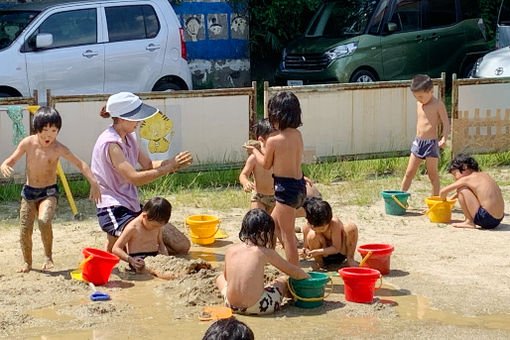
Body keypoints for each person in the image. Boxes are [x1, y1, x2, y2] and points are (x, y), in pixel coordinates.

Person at [0, 107, 101, 273]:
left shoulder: (58, 148)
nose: (49, 135)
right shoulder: (27, 143)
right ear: (37, 129)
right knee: (25, 230)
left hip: (49, 192)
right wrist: (4, 165)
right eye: (45, 130)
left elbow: (81, 164)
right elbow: (9, 160)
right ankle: (27, 262)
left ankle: (48, 256)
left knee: (44, 221)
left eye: (54, 130)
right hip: (29, 192)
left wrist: (94, 183)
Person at [91, 92, 192, 253]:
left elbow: (149, 164)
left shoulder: (129, 136)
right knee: (141, 244)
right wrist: (169, 167)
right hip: (113, 205)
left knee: (182, 245)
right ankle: (115, 242)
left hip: (130, 203)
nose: (139, 121)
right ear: (123, 117)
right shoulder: (112, 144)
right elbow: (134, 178)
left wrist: (174, 162)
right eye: (136, 117)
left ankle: (123, 241)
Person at [244, 91, 305, 265]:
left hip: (285, 190)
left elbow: (266, 164)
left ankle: (295, 274)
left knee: (288, 236)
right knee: (273, 225)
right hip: (299, 187)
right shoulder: (297, 135)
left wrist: (253, 150)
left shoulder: (273, 140)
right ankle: (273, 260)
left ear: (276, 115)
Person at [216, 209, 310, 315]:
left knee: (220, 278)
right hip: (259, 306)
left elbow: (226, 277)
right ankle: (292, 298)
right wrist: (309, 278)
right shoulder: (264, 252)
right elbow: (294, 272)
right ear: (262, 234)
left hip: (231, 305)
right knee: (284, 280)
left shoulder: (231, 249)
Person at [401, 74, 450, 196]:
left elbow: (446, 123)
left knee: (432, 174)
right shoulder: (419, 104)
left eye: (421, 97)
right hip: (418, 142)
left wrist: (444, 138)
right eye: (416, 97)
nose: (418, 99)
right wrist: (420, 100)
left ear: (431, 91)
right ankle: (400, 197)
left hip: (431, 143)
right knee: (409, 173)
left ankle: (434, 201)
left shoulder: (438, 105)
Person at [440, 154, 504, 229]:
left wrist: (442, 203)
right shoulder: (484, 175)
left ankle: (469, 221)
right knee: (464, 190)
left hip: (486, 219)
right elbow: (472, 194)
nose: (455, 178)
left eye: (455, 174)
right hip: (498, 219)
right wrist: (451, 198)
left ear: (464, 167)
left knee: (461, 189)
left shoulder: (468, 179)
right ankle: (470, 221)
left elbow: (443, 192)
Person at [112, 197, 171, 272]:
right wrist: (130, 260)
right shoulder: (132, 228)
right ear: (144, 216)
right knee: (149, 272)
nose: (155, 228)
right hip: (138, 261)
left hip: (154, 257)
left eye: (159, 226)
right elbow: (116, 248)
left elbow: (161, 243)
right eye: (154, 226)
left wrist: (166, 258)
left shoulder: (157, 225)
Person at [301, 197, 359, 270]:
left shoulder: (334, 224)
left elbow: (336, 248)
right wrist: (304, 251)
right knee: (312, 235)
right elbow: (306, 247)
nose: (320, 231)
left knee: (351, 227)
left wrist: (317, 251)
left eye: (322, 228)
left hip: (339, 253)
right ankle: (319, 262)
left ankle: (350, 259)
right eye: (315, 228)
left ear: (329, 221)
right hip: (322, 256)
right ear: (309, 222)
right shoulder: (307, 227)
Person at [239, 118, 276, 213]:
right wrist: (245, 182)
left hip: (276, 197)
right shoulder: (254, 158)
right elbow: (243, 174)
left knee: (274, 225)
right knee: (258, 220)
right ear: (261, 140)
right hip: (259, 197)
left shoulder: (278, 156)